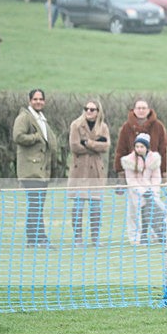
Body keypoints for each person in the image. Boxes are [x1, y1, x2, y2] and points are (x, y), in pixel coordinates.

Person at [114, 99, 167, 241]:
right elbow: (120, 150)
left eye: (144, 107)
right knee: (134, 210)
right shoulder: (126, 127)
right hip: (134, 175)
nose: (141, 110)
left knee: (154, 208)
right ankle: (135, 236)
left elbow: (164, 149)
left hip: (152, 172)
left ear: (148, 109)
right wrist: (120, 172)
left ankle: (155, 234)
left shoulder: (158, 126)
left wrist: (164, 173)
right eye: (138, 108)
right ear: (134, 110)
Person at [13, 89, 58, 248]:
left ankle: (32, 239)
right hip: (30, 171)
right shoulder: (24, 117)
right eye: (35, 99)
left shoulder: (42, 119)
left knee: (36, 205)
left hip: (42, 171)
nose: (38, 101)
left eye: (41, 99)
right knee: (36, 204)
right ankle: (41, 238)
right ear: (30, 100)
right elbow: (17, 136)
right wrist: (36, 137)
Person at [67, 100, 110, 247]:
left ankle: (95, 238)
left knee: (96, 208)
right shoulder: (76, 125)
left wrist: (88, 143)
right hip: (80, 171)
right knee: (78, 207)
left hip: (97, 172)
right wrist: (95, 146)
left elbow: (105, 146)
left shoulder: (103, 127)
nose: (89, 112)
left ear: (98, 111)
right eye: (87, 109)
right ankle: (78, 237)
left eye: (93, 109)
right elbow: (74, 146)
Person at [120, 133, 166, 245]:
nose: (139, 149)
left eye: (142, 147)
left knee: (154, 212)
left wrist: (153, 190)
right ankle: (137, 238)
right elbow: (131, 180)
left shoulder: (154, 159)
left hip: (151, 191)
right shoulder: (129, 160)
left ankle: (158, 234)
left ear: (147, 147)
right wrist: (142, 191)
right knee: (135, 215)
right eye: (137, 146)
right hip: (135, 193)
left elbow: (156, 177)